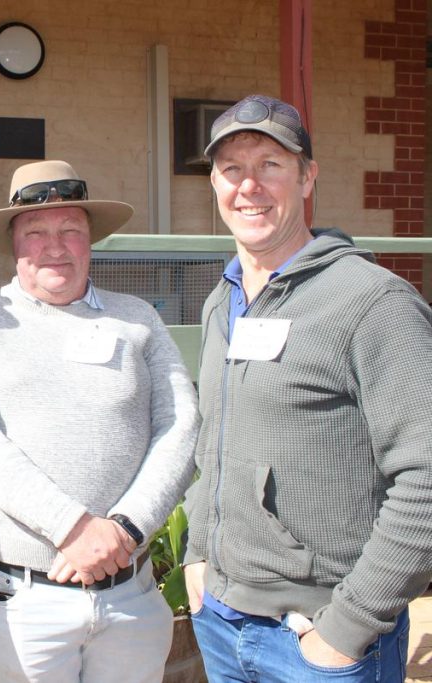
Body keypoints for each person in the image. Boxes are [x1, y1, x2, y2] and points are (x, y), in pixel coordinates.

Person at [183, 93, 432, 683]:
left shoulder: (373, 302)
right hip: (221, 624)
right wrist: (197, 559)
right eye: (232, 169)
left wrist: (348, 628)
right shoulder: (223, 303)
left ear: (308, 176)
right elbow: (212, 443)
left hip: (316, 640)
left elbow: (426, 474)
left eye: (270, 164)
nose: (249, 186)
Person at [0, 160, 200, 682]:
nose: (54, 246)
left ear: (90, 240)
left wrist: (124, 530)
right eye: (36, 232)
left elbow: (180, 424)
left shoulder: (138, 318)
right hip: (30, 601)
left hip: (133, 593)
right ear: (13, 243)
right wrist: (73, 529)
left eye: (70, 231)